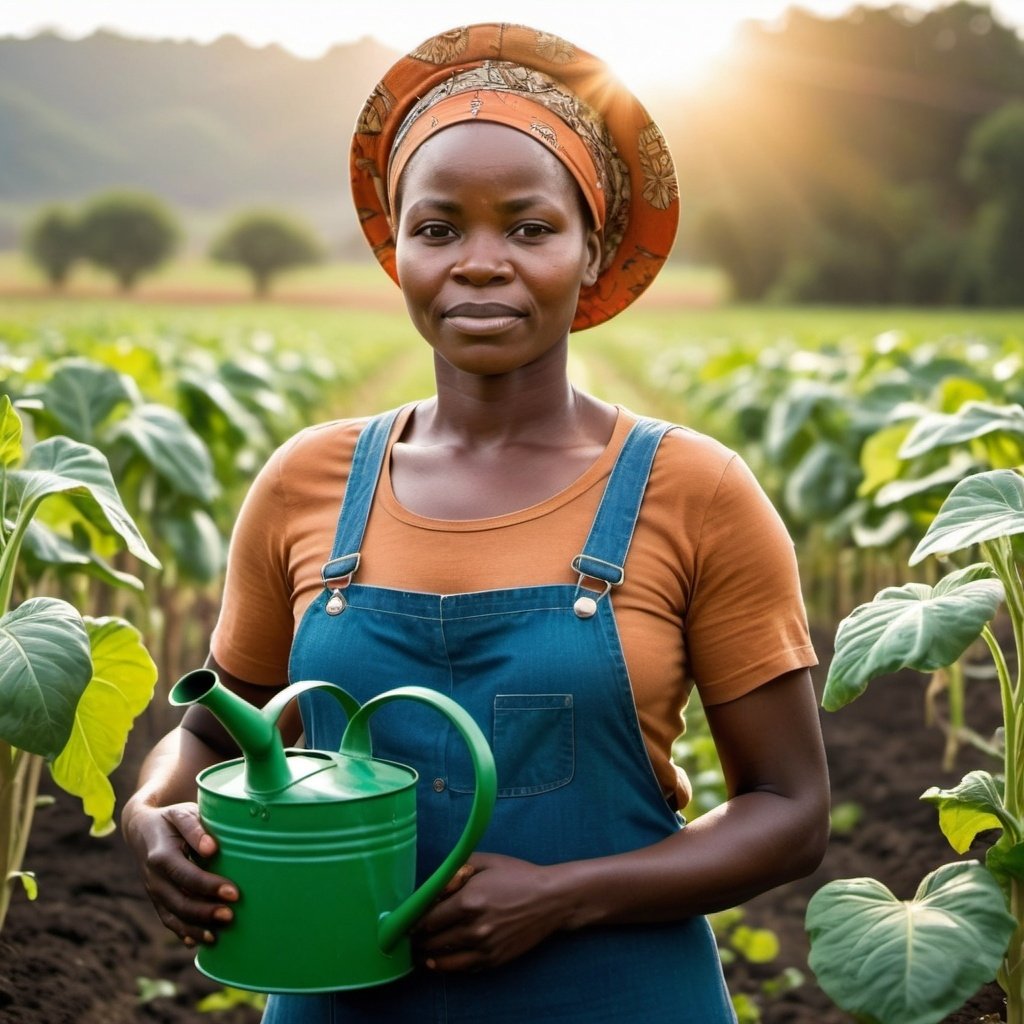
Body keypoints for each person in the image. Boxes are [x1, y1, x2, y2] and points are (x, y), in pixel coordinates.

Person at [122, 22, 830, 1024]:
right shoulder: (305, 482)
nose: (481, 263)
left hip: (623, 994)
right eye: (439, 227)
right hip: (336, 994)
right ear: (397, 250)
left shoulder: (695, 490)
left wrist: (563, 894)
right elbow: (207, 725)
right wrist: (152, 810)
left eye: (531, 228)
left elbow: (790, 813)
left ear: (592, 253)